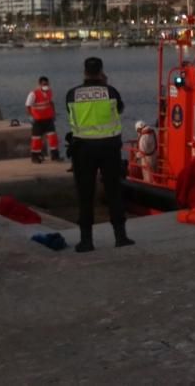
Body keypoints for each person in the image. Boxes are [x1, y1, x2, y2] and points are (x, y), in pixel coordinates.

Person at [66, 57, 134, 252]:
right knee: (114, 191)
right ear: (101, 72)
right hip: (109, 147)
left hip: (83, 149)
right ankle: (120, 237)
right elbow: (119, 110)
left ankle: (86, 241)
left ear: (85, 72)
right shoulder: (110, 92)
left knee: (85, 195)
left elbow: (70, 115)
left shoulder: (72, 94)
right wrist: (105, 85)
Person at [25, 76, 61, 163]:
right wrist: (30, 116)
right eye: (44, 84)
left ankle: (55, 155)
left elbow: (51, 103)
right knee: (36, 139)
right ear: (40, 84)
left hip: (48, 119)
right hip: (38, 120)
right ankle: (35, 157)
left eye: (47, 84)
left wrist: (53, 114)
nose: (46, 85)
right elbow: (28, 106)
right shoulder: (33, 94)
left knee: (53, 138)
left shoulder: (49, 92)